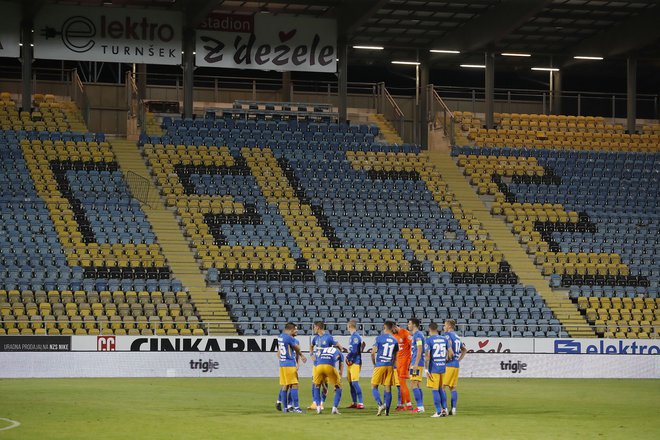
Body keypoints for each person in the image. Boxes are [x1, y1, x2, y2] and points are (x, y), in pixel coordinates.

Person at [309, 321, 343, 410]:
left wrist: (340, 351)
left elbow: (338, 345)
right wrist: (311, 354)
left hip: (326, 362)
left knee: (325, 383)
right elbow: (311, 346)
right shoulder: (315, 338)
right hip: (316, 363)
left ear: (318, 327)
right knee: (315, 382)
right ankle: (315, 403)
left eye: (314, 327)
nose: (313, 329)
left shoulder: (328, 337)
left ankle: (321, 403)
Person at [277, 322, 307, 414]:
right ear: (291, 330)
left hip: (282, 364)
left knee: (285, 385)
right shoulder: (289, 338)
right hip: (289, 364)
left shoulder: (280, 336)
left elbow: (279, 352)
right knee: (294, 385)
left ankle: (285, 408)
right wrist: (301, 355)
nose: (296, 331)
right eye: (295, 330)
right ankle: (296, 408)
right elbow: (296, 347)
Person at [425, 321, 454, 418]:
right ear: (437, 329)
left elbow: (428, 356)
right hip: (443, 368)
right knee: (442, 389)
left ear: (429, 329)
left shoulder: (429, 340)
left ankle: (438, 411)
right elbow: (451, 353)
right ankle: (444, 409)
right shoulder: (444, 339)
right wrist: (445, 360)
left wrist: (426, 369)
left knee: (435, 390)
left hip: (434, 368)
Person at [371, 320, 399, 416]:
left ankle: (380, 404)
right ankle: (387, 411)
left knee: (374, 386)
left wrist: (374, 363)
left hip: (380, 364)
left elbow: (373, 352)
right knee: (388, 387)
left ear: (384, 327)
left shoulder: (379, 338)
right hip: (390, 365)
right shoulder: (395, 341)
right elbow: (395, 356)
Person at [443, 318, 467, 416]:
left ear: (449, 326)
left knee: (442, 387)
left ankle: (444, 409)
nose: (443, 327)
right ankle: (453, 409)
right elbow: (464, 350)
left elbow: (450, 350)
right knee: (453, 388)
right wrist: (458, 360)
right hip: (456, 365)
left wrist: (447, 359)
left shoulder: (447, 336)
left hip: (449, 365)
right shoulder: (457, 337)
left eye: (444, 325)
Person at [312, 344, 344, 414]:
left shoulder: (324, 349)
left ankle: (318, 407)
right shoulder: (339, 352)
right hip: (329, 366)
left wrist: (324, 386)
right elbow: (341, 366)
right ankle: (334, 408)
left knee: (317, 386)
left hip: (318, 367)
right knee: (339, 387)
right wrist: (338, 380)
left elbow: (317, 360)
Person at [392, 323, 413, 411]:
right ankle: (402, 404)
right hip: (398, 362)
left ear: (395, 326)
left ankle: (408, 404)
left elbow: (413, 346)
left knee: (402, 383)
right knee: (400, 383)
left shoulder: (405, 333)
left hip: (405, 361)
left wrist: (411, 361)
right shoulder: (393, 335)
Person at [345, 320, 365, 409]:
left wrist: (348, 357)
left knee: (355, 382)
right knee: (350, 383)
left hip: (355, 362)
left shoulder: (355, 337)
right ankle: (354, 402)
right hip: (350, 363)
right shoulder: (352, 336)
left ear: (350, 326)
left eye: (347, 326)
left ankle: (361, 403)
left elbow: (354, 351)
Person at [408, 318, 426, 413]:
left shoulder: (418, 335)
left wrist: (415, 363)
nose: (408, 325)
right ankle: (421, 406)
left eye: (409, 323)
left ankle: (419, 407)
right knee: (417, 384)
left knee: (413, 384)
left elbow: (419, 349)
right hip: (417, 362)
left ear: (414, 325)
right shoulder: (416, 335)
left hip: (417, 363)